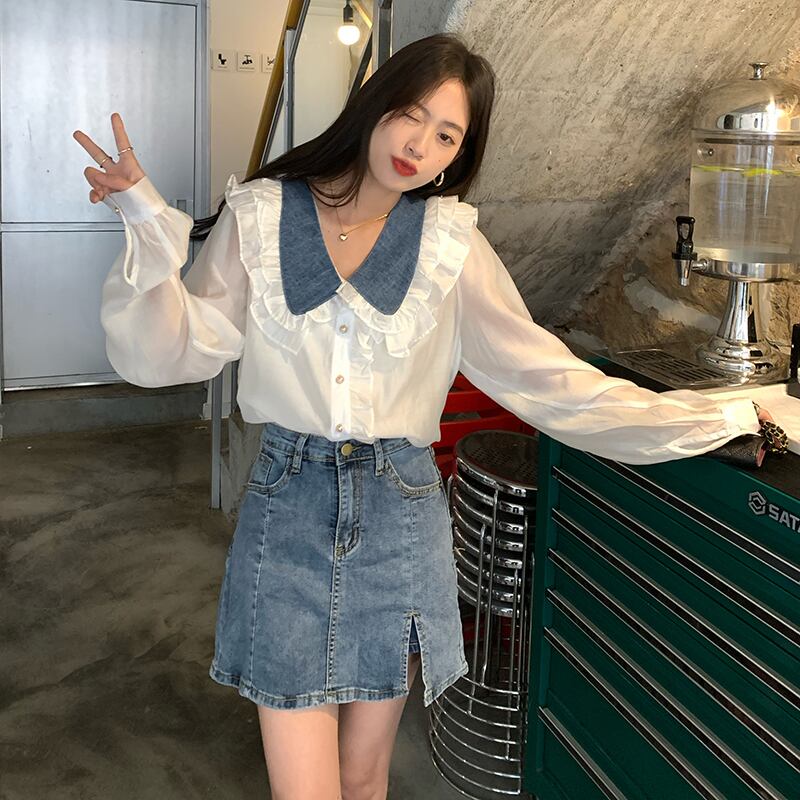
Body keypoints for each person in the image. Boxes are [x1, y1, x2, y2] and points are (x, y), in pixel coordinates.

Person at [74, 32, 774, 800]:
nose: (420, 145)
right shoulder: (263, 216)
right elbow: (176, 352)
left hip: (400, 517)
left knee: (364, 778)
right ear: (374, 106)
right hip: (289, 505)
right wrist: (146, 223)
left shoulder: (449, 244)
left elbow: (547, 380)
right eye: (411, 114)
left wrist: (715, 417)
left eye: (447, 135)